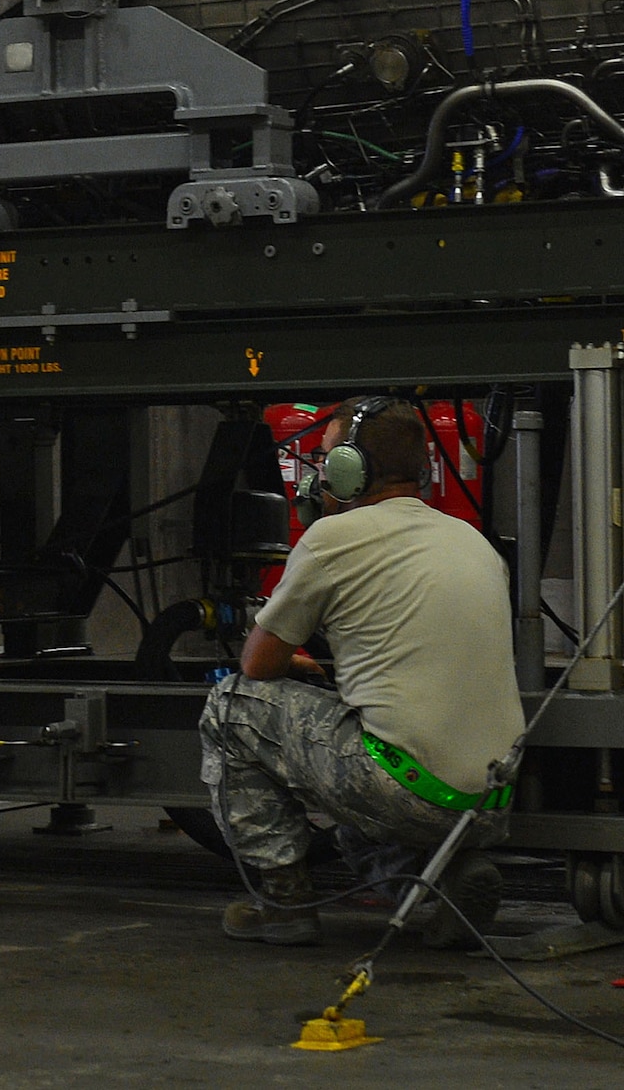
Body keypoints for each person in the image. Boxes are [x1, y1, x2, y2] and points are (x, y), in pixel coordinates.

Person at [198, 395, 526, 947]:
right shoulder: (473, 542)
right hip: (492, 799)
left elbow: (257, 664)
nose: (323, 473)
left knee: (231, 707)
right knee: (362, 777)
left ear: (351, 469)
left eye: (327, 460)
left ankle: (284, 903)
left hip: (406, 790)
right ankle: (443, 885)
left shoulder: (332, 538)